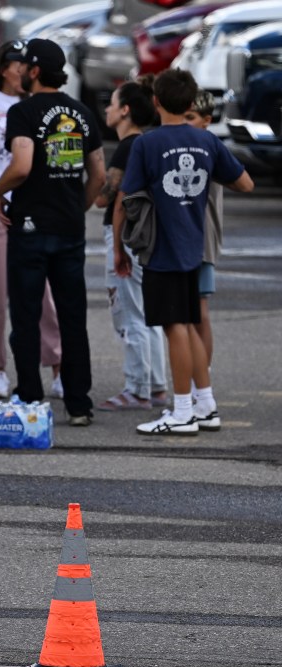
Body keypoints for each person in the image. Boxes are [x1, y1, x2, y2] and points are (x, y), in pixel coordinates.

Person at [116, 69, 253, 435]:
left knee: (174, 326)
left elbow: (127, 195)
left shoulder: (146, 144)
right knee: (189, 323)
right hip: (194, 245)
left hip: (162, 246)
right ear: (191, 102)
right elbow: (245, 183)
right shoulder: (206, 141)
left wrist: (118, 245)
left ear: (156, 101)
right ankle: (205, 403)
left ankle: (182, 412)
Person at [0, 38, 105, 426]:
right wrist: (76, 208)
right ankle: (79, 404)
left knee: (26, 316)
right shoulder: (83, 112)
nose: (21, 71)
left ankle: (30, 397)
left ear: (35, 71)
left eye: (25, 66)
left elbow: (22, 164)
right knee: (72, 317)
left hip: (30, 229)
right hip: (69, 229)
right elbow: (99, 175)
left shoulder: (23, 112)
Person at [0, 41, 63, 400]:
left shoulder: (36, 102)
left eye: (29, 65)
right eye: (19, 64)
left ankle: (57, 365)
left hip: (30, 210)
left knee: (45, 296)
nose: (25, 70)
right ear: (5, 68)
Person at [95, 77, 169, 411]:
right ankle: (155, 386)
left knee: (127, 314)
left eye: (112, 103)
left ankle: (137, 388)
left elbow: (104, 198)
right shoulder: (149, 143)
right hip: (144, 237)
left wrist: (94, 171)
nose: (107, 110)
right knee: (146, 312)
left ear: (125, 110)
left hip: (123, 237)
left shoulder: (128, 147)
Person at [183, 89, 223, 377]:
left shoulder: (207, 146)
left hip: (202, 237)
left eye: (190, 117)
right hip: (189, 237)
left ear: (207, 120)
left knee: (199, 312)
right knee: (188, 313)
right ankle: (196, 378)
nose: (184, 123)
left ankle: (202, 378)